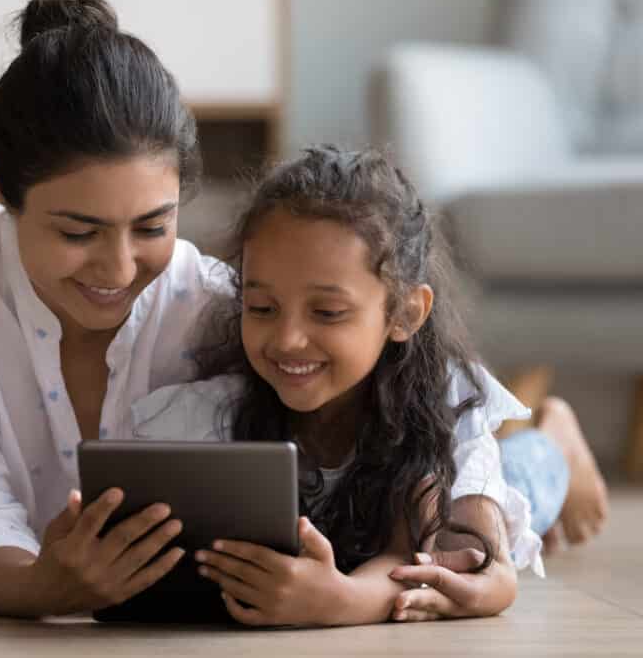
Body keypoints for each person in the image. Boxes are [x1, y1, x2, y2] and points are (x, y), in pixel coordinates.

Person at [0, 0, 607, 622]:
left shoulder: (225, 303)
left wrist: (448, 558)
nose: (121, 267)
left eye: (151, 226)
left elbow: (424, 395)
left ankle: (544, 443)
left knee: (467, 471)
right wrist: (44, 585)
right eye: (79, 229)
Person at [124, 144, 607, 627]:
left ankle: (555, 438)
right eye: (262, 309)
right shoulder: (219, 409)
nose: (287, 340)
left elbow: (494, 580)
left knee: (521, 482)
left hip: (482, 484)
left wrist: (345, 601)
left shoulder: (442, 410)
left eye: (327, 312)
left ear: (404, 313)